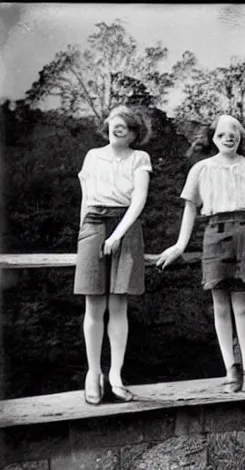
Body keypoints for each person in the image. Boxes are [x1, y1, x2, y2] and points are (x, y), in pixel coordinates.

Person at [156, 114, 245, 393]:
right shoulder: (201, 169)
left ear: (241, 137)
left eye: (234, 133)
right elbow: (190, 207)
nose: (229, 137)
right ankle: (231, 368)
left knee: (242, 306)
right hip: (215, 232)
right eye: (222, 133)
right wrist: (180, 245)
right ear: (213, 138)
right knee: (220, 306)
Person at [74, 105, 153, 404]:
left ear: (135, 133)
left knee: (118, 304)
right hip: (93, 225)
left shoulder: (139, 158)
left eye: (125, 126)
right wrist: (84, 234)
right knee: (93, 305)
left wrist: (118, 234)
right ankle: (93, 374)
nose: (117, 128)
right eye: (113, 124)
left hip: (127, 226)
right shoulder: (93, 156)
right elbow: (85, 198)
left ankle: (116, 375)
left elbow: (139, 200)